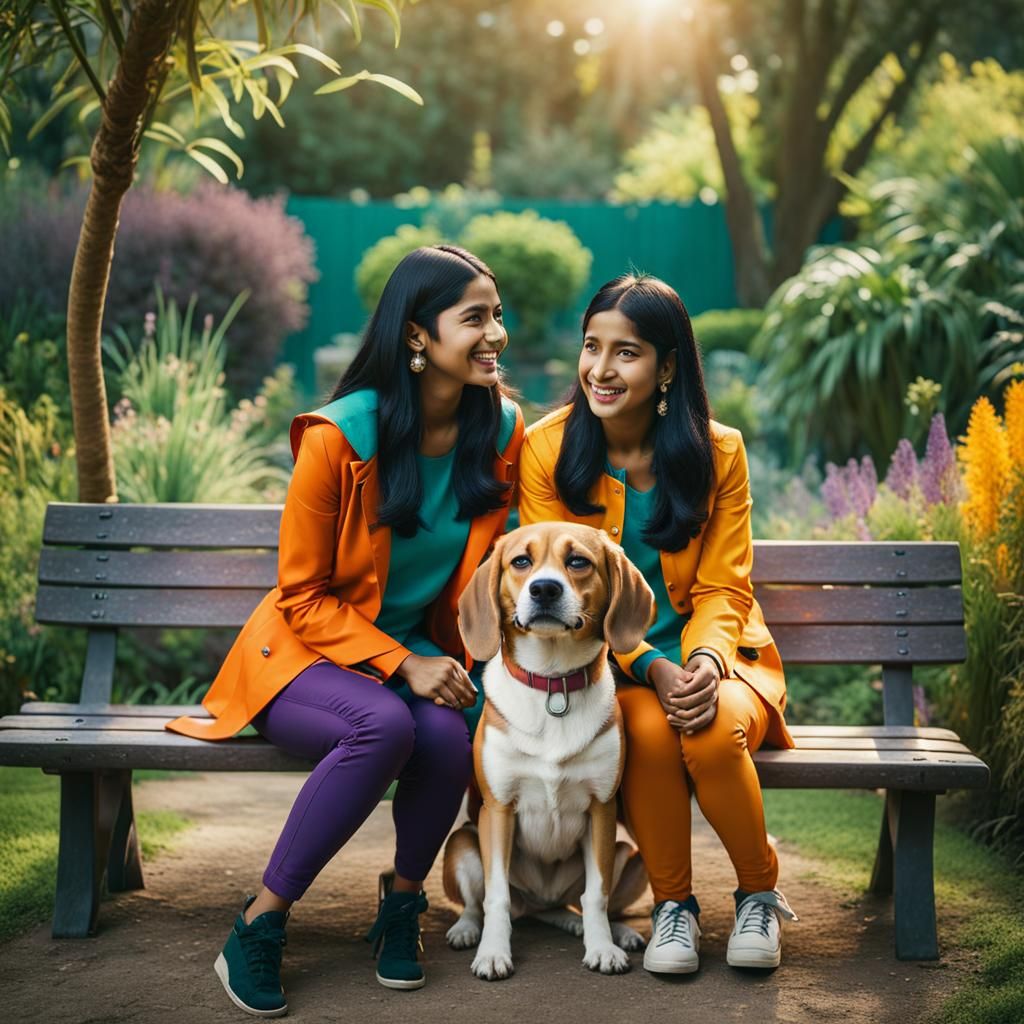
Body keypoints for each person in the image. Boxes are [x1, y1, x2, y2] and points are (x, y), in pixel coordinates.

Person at [167, 245, 523, 1015]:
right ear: (418, 337)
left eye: (498, 314)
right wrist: (404, 664)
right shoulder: (337, 439)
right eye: (475, 318)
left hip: (412, 658)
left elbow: (497, 562)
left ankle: (401, 907)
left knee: (447, 731)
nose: (495, 333)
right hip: (303, 659)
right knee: (384, 724)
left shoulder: (499, 429)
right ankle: (258, 924)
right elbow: (302, 596)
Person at [517, 273, 797, 976]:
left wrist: (702, 663)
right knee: (642, 730)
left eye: (627, 353)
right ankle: (675, 906)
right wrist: (650, 663)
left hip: (723, 656)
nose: (601, 370)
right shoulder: (547, 450)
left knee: (707, 729)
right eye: (591, 347)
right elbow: (557, 595)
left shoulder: (719, 451)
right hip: (610, 664)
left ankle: (759, 893)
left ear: (667, 365)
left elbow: (724, 585)